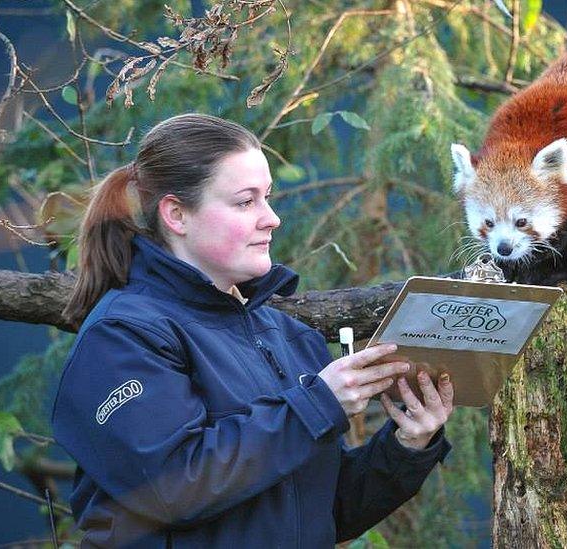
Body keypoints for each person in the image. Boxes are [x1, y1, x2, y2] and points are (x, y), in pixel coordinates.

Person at [51, 113, 454, 548]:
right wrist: (317, 404)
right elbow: (169, 488)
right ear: (177, 214)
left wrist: (408, 445)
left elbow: (320, 512)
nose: (272, 218)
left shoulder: (284, 335)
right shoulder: (123, 335)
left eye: (268, 197)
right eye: (246, 201)